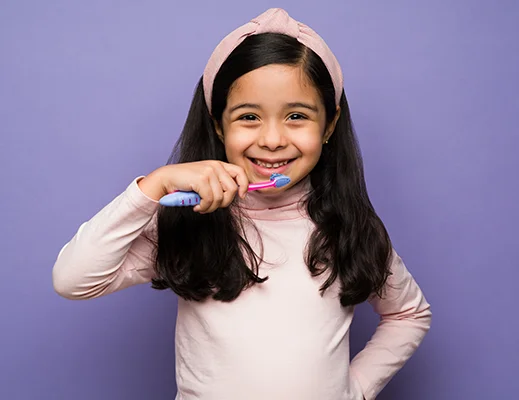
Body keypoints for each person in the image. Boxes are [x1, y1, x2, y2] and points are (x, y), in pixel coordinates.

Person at [52, 8, 432, 400]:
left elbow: (409, 313)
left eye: (296, 116)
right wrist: (154, 186)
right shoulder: (187, 222)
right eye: (249, 116)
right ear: (218, 124)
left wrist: (353, 390)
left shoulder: (349, 228)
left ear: (330, 125)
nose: (271, 139)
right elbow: (73, 280)